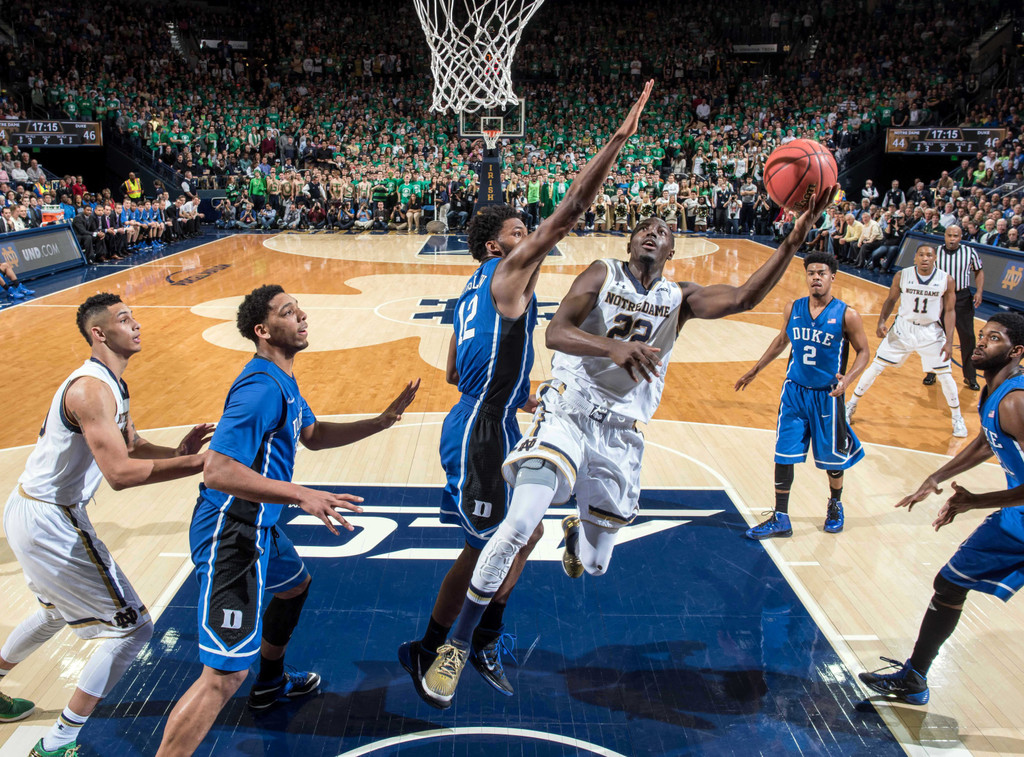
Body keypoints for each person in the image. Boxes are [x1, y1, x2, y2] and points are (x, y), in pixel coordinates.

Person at [419, 178, 840, 706]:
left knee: (595, 565)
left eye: (662, 230)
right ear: (629, 243)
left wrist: (793, 238)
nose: (651, 232)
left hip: (619, 435)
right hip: (567, 411)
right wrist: (612, 346)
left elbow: (745, 296)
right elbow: (555, 333)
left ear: (671, 249)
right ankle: (457, 647)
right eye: (643, 227)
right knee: (518, 523)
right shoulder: (603, 272)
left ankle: (579, 531)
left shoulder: (679, 298)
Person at [401, 81, 655, 708]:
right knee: (489, 541)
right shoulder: (506, 272)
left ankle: (480, 634)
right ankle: (436, 645)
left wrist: (514, 392)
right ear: (497, 245)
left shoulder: (477, 288)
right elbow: (568, 210)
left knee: (525, 533)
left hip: (491, 418)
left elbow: (462, 370)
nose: (533, 236)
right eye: (521, 230)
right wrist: (618, 141)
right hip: (481, 432)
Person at [155, 285, 419, 757]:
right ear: (262, 330)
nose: (302, 317)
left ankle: (271, 680)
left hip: (262, 525)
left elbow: (312, 435)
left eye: (299, 309)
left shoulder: (282, 379)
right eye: (287, 312)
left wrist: (379, 422)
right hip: (232, 532)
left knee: (294, 586)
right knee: (224, 676)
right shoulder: (260, 388)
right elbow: (217, 469)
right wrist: (302, 495)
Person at [0, 293, 212, 757]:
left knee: (56, 611)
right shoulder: (89, 389)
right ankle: (56, 743)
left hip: (30, 507)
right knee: (133, 630)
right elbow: (118, 474)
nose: (136, 324)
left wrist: (178, 455)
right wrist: (201, 464)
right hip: (50, 518)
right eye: (124, 319)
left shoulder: (115, 382)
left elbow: (131, 445)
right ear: (99, 333)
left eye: (134, 316)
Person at [859, 312, 1024, 705]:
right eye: (982, 335)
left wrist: (975, 501)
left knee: (949, 585)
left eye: (994, 338)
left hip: (1016, 519)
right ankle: (914, 677)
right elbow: (988, 441)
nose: (981, 342)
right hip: (1015, 520)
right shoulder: (994, 391)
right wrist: (937, 477)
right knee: (950, 584)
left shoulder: (1017, 401)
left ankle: (916, 677)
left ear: (1016, 352)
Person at [735, 251, 870, 539]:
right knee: (784, 454)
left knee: (832, 462)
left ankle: (835, 504)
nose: (816, 278)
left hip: (827, 396)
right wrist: (755, 369)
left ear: (833, 277)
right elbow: (781, 341)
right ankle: (780, 517)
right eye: (811, 273)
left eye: (822, 273)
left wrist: (849, 379)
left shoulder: (847, 314)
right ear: (805, 277)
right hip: (794, 393)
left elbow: (864, 352)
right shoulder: (792, 308)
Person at [846, 244, 965, 437]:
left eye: (929, 255)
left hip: (931, 331)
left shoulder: (946, 280)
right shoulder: (903, 276)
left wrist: (950, 341)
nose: (925, 258)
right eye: (921, 254)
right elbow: (891, 299)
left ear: (935, 258)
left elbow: (950, 311)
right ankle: (850, 405)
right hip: (903, 327)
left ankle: (957, 418)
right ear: (914, 258)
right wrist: (881, 321)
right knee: (876, 366)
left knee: (945, 375)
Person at [923, 226, 984, 391]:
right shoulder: (935, 252)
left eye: (955, 236)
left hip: (962, 297)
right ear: (944, 236)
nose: (952, 239)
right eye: (949, 235)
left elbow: (979, 271)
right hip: (939, 297)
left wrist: (979, 291)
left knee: (968, 337)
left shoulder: (970, 252)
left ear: (960, 237)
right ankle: (932, 372)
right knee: (936, 336)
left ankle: (970, 376)